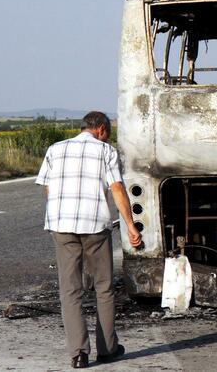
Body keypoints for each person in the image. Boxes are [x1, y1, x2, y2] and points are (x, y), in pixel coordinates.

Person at [36, 111, 141, 369]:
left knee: (70, 290)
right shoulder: (106, 151)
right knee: (103, 288)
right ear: (102, 130)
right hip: (94, 226)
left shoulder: (55, 149)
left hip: (61, 226)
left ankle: (78, 353)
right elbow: (116, 188)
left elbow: (47, 187)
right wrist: (130, 225)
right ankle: (107, 350)